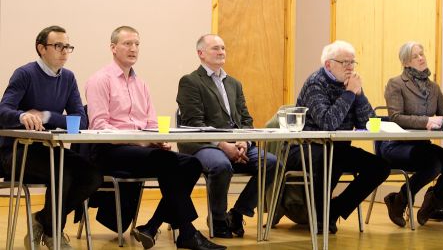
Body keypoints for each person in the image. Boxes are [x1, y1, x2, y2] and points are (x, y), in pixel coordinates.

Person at [85, 26, 225, 250]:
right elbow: (101, 128)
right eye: (127, 44)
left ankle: (152, 225)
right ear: (113, 48)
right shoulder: (100, 80)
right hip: (109, 151)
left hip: (142, 151)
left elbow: (150, 123)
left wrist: (157, 140)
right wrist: (142, 142)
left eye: (137, 44)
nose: (133, 49)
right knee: (168, 162)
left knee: (191, 163)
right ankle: (186, 232)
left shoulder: (141, 84)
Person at [0, 25, 103, 250]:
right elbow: (3, 112)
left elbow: (80, 120)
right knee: (63, 172)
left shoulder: (68, 78)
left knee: (93, 175)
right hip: (17, 153)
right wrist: (23, 115)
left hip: (48, 151)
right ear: (41, 48)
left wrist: (47, 116)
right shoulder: (24, 73)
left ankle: (43, 220)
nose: (64, 51)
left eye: (68, 46)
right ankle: (53, 233)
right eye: (58, 46)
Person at [176, 34, 277, 238]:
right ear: (201, 54)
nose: (221, 52)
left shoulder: (234, 83)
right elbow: (194, 124)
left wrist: (244, 141)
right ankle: (218, 219)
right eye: (215, 48)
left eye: (223, 48)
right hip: (202, 144)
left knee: (273, 163)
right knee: (221, 165)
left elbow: (246, 120)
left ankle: (238, 213)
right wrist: (222, 145)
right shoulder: (190, 81)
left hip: (235, 143)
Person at [285, 40, 390, 233]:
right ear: (328, 64)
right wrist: (350, 93)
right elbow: (328, 123)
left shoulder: (351, 83)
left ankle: (334, 210)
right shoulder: (315, 83)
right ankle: (318, 217)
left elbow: (367, 123)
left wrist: (359, 95)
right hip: (305, 147)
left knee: (380, 168)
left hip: (336, 148)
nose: (350, 67)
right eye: (345, 62)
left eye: (353, 62)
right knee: (331, 159)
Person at [381, 41, 443, 227]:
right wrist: (426, 121)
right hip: (397, 146)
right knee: (433, 165)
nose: (421, 58)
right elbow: (395, 117)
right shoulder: (396, 84)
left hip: (422, 145)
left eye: (422, 54)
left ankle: (433, 202)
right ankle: (398, 201)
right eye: (416, 56)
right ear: (405, 62)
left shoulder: (433, 88)